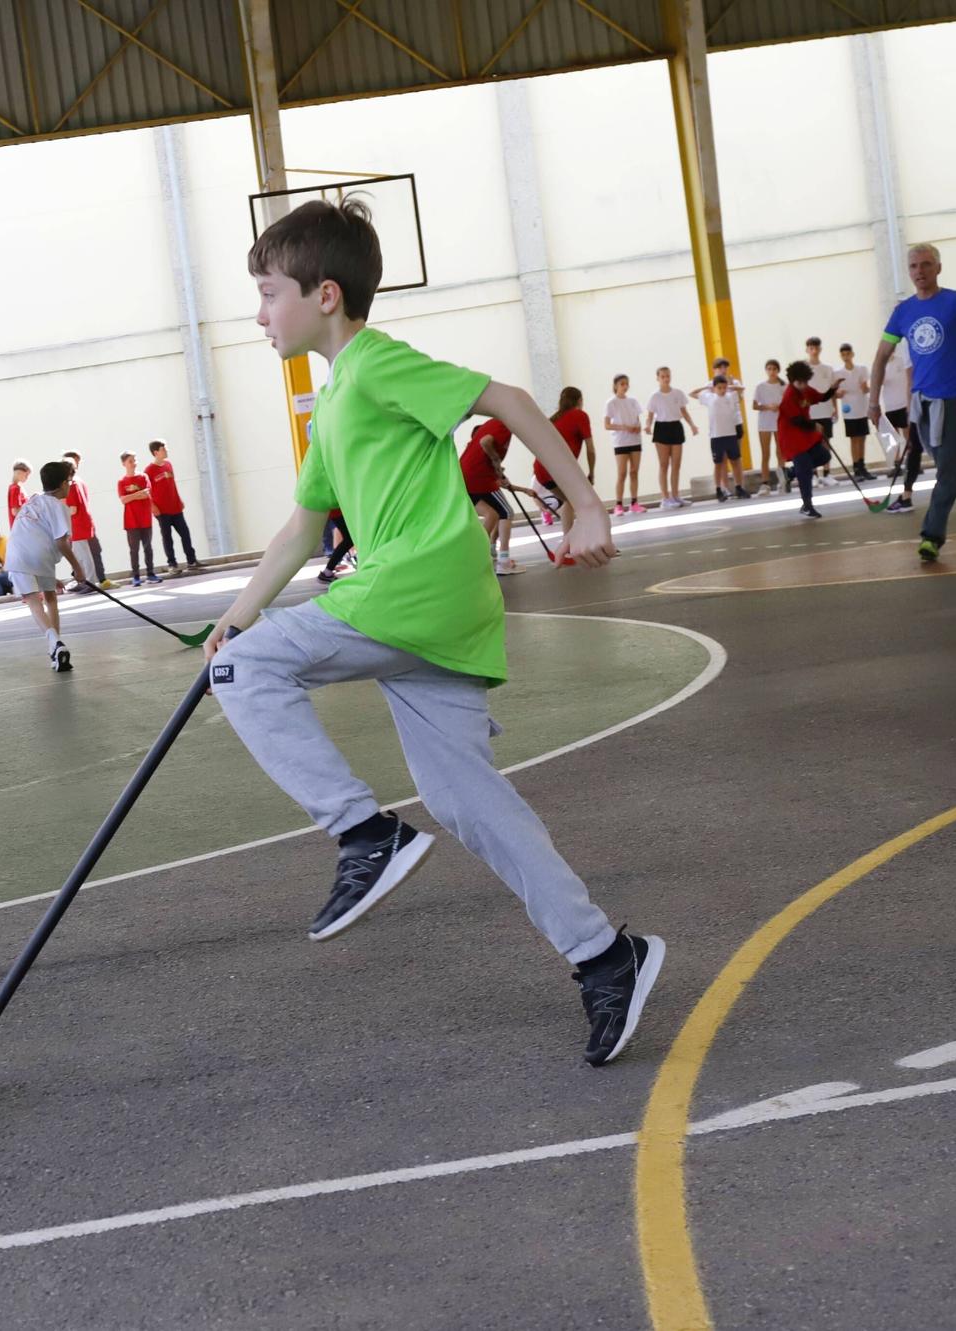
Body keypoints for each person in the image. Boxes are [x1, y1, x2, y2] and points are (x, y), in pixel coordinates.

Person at [208, 197, 658, 1068]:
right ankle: (607, 958)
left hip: (412, 589)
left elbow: (509, 399)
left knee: (250, 673)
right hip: (431, 612)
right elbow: (303, 529)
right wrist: (236, 612)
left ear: (326, 295)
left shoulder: (375, 364)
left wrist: (587, 502)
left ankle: (362, 832)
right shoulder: (335, 400)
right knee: (466, 801)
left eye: (269, 294)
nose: (260, 315)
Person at [869, 241, 956, 562]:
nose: (920, 271)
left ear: (938, 268)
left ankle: (932, 536)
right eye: (914, 266)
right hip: (922, 404)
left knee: (946, 470)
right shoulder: (903, 311)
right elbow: (881, 356)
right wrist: (873, 401)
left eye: (926, 265)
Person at [6, 459, 89, 672]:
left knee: (35, 601)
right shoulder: (58, 507)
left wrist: (51, 576)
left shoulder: (33, 500)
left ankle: (55, 645)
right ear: (62, 484)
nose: (70, 485)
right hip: (38, 555)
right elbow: (61, 542)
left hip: (17, 552)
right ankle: (56, 643)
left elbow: (32, 534)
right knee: (50, 598)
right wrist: (78, 568)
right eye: (69, 481)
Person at [460, 416, 535, 575]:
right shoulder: (503, 424)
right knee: (506, 512)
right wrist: (496, 461)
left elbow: (500, 481)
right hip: (477, 479)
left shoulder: (490, 430)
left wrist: (524, 490)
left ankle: (476, 554)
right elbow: (485, 442)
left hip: (466, 478)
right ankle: (504, 561)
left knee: (492, 515)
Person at [536, 387, 597, 544]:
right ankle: (593, 541)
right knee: (585, 502)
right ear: (579, 401)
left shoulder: (554, 418)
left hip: (541, 469)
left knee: (571, 501)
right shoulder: (580, 415)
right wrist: (591, 472)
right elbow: (590, 449)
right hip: (558, 469)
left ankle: (568, 543)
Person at [777, 360, 835, 518]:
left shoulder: (806, 389)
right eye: (799, 383)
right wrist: (815, 425)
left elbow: (821, 397)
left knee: (824, 456)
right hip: (791, 436)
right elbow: (797, 421)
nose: (803, 385)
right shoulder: (789, 396)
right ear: (792, 380)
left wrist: (833, 388)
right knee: (805, 468)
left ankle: (789, 473)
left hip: (805, 433)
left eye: (805, 382)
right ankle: (807, 506)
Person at [692, 373, 751, 502]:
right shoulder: (709, 397)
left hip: (730, 435)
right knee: (718, 463)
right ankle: (718, 489)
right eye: (719, 388)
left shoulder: (730, 396)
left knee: (735, 461)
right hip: (717, 436)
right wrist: (706, 388)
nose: (722, 390)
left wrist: (729, 386)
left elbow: (742, 389)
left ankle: (739, 487)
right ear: (714, 388)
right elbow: (692, 393)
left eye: (724, 388)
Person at [643, 366, 696, 508]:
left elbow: (684, 411)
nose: (666, 378)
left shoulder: (678, 393)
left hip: (676, 427)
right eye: (663, 376)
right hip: (662, 428)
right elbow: (650, 415)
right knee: (664, 464)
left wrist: (692, 425)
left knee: (676, 464)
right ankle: (665, 498)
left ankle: (675, 495)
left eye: (668, 376)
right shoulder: (655, 396)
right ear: (658, 378)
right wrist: (648, 425)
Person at [146, 440, 201, 574]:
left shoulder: (169, 465)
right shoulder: (149, 470)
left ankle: (191, 560)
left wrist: (179, 499)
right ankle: (172, 564)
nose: (166, 451)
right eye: (163, 449)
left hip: (175, 508)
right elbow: (147, 491)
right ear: (156, 452)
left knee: (185, 533)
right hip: (162, 511)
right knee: (167, 537)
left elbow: (172, 484)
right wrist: (152, 506)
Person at [60, 450, 110, 590]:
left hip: (78, 525)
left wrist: (60, 512)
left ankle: (90, 582)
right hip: (83, 523)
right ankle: (83, 581)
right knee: (81, 555)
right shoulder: (79, 481)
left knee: (83, 556)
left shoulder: (71, 485)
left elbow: (73, 509)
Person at [879, 339, 919, 513]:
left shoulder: (905, 355)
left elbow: (910, 379)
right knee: (915, 449)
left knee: (917, 448)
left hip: (925, 402)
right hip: (914, 404)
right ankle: (906, 495)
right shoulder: (909, 346)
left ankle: (906, 495)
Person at [116, 451, 162, 585]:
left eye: (134, 460)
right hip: (131, 521)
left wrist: (132, 496)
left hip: (145, 518)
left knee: (148, 547)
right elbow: (123, 499)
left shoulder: (143, 477)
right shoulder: (121, 481)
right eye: (130, 461)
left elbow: (147, 493)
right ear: (124, 463)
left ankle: (150, 573)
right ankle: (136, 576)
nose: (133, 463)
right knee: (134, 549)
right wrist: (138, 494)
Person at [605, 373, 646, 513]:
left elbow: (637, 419)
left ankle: (634, 503)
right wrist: (624, 427)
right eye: (622, 384)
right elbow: (607, 425)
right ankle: (618, 504)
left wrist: (638, 427)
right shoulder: (611, 403)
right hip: (620, 442)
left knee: (634, 472)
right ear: (616, 385)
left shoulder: (633, 401)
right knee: (622, 473)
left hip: (635, 440)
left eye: (626, 383)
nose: (625, 386)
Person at [833, 342, 874, 481]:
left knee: (862, 437)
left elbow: (867, 388)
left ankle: (863, 466)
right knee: (854, 438)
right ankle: (856, 468)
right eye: (843, 354)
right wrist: (839, 393)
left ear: (852, 354)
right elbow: (835, 392)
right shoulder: (838, 373)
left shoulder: (862, 369)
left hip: (861, 407)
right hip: (849, 409)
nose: (846, 356)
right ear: (841, 356)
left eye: (848, 354)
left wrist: (865, 388)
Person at [804, 337, 837, 482]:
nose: (814, 351)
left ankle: (827, 473)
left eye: (816, 348)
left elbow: (832, 390)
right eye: (811, 348)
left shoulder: (828, 369)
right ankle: (814, 474)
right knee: (810, 443)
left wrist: (835, 408)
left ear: (820, 349)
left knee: (826, 442)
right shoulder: (803, 369)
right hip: (810, 413)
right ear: (807, 350)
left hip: (826, 411)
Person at [751, 359, 786, 493]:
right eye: (769, 369)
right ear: (766, 370)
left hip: (779, 422)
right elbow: (754, 405)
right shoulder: (760, 386)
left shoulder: (784, 386)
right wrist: (767, 407)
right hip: (765, 423)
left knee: (780, 452)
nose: (772, 372)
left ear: (778, 370)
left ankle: (782, 481)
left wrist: (779, 407)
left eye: (774, 369)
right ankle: (765, 483)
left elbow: (788, 404)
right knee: (766, 453)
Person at [7, 460, 32, 529]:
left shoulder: (14, 487)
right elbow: (15, 511)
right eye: (26, 475)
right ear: (19, 472)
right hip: (20, 528)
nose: (27, 478)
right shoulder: (15, 488)